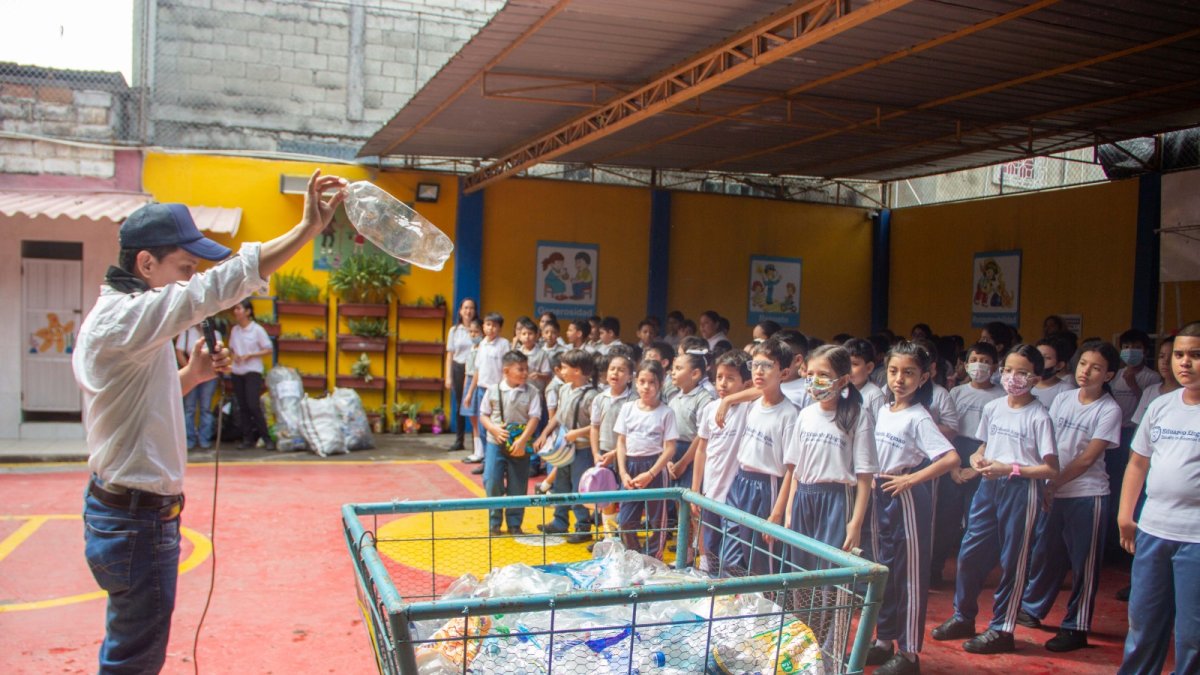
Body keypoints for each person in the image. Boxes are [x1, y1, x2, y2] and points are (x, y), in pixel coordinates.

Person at [74, 170, 346, 674]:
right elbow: (216, 287)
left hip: (128, 514)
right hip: (136, 520)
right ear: (145, 263)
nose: (188, 279)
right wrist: (306, 229)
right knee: (133, 660)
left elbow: (138, 401)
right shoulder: (125, 320)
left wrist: (192, 374)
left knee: (129, 646)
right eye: (183, 268)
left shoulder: (125, 321)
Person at [933, 344, 1059, 655]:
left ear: (1036, 377)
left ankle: (1003, 627)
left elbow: (1051, 468)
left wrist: (1011, 468)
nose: (1013, 378)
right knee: (969, 553)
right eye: (1009, 370)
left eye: (1023, 372)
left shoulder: (1039, 415)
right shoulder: (994, 407)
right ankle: (963, 615)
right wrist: (977, 460)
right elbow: (983, 446)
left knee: (1012, 560)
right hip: (989, 486)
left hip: (1021, 490)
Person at [863, 340, 959, 675]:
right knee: (885, 571)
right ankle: (883, 640)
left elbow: (950, 458)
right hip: (881, 492)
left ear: (923, 378)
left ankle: (910, 653)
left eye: (909, 373)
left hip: (906, 497)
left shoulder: (919, 417)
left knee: (910, 577)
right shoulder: (883, 410)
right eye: (893, 371)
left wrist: (911, 480)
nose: (899, 379)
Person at [1018, 342, 1122, 652]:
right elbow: (1047, 441)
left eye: (1096, 367)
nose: (1086, 371)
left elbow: (1086, 459)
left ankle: (1076, 626)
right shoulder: (1062, 399)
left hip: (1087, 495)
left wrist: (1053, 484)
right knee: (1046, 553)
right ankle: (1032, 609)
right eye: (1083, 364)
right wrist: (1044, 479)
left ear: (1109, 374)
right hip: (1054, 489)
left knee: (1083, 564)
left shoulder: (1109, 409)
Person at [1116, 321, 1200, 675]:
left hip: (1195, 537)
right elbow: (1138, 462)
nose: (1184, 363)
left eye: (1195, 355)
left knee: (1192, 633)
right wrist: (1125, 515)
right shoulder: (1162, 405)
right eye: (1179, 354)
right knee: (1143, 622)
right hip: (1153, 529)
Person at [783, 345, 877, 651]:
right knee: (801, 578)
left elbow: (864, 477)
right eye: (810, 374)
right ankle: (804, 646)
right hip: (804, 501)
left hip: (838, 501)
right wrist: (787, 512)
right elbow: (795, 470)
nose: (814, 381)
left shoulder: (856, 417)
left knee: (832, 583)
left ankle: (831, 653)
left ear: (843, 380)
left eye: (823, 375)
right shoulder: (805, 415)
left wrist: (855, 523)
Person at [719, 337, 798, 577]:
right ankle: (734, 608)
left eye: (767, 365)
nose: (758, 371)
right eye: (755, 364)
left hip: (767, 487)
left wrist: (777, 512)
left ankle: (767, 610)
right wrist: (729, 399)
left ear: (783, 372)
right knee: (729, 555)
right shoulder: (753, 404)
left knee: (762, 561)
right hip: (740, 482)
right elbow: (753, 392)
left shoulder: (789, 413)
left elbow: (792, 469)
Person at [933, 342, 1004, 585]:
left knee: (977, 521)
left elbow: (997, 437)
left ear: (995, 366)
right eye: (974, 360)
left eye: (986, 361)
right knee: (946, 519)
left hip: (986, 455)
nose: (979, 366)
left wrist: (977, 468)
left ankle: (974, 574)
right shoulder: (956, 392)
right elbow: (948, 431)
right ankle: (935, 571)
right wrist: (952, 466)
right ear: (965, 364)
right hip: (954, 451)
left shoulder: (1002, 395)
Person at [690, 351, 751, 572]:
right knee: (709, 546)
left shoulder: (749, 407)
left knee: (732, 553)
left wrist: (730, 400)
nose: (723, 383)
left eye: (731, 378)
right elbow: (702, 450)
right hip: (710, 491)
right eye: (719, 377)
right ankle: (711, 589)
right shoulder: (709, 409)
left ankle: (730, 590)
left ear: (746, 382)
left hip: (734, 496)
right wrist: (696, 489)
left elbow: (763, 389)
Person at [615, 358, 678, 559]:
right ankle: (634, 555)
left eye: (652, 382)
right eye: (642, 381)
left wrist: (651, 474)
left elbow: (670, 448)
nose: (646, 387)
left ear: (660, 384)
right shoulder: (627, 409)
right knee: (625, 520)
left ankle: (653, 557)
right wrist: (623, 472)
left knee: (658, 521)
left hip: (655, 467)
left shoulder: (666, 412)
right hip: (630, 467)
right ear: (635, 381)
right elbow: (621, 442)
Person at [535, 349, 598, 543]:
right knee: (561, 484)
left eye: (564, 367)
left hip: (582, 449)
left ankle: (582, 526)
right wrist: (545, 433)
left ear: (578, 371)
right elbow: (559, 416)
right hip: (564, 447)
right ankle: (559, 521)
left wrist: (577, 433)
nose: (561, 371)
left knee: (579, 487)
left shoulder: (593, 396)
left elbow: (598, 425)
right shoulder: (564, 389)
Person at [478, 350, 541, 535]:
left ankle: (515, 523)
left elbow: (534, 417)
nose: (524, 373)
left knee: (518, 483)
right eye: (519, 369)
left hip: (519, 445)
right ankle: (494, 522)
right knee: (492, 480)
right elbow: (483, 414)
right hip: (495, 442)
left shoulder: (532, 392)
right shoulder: (493, 390)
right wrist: (494, 429)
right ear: (506, 371)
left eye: (526, 369)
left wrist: (522, 441)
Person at [665, 350, 716, 542]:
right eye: (673, 368)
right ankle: (684, 551)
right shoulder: (673, 398)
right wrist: (670, 460)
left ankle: (700, 556)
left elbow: (700, 436)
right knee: (680, 507)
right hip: (674, 452)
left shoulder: (703, 399)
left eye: (678, 368)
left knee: (694, 509)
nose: (673, 373)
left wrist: (683, 463)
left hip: (693, 454)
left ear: (695, 374)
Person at [589, 353, 636, 549]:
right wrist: (595, 453)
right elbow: (594, 427)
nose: (615, 373)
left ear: (630, 376)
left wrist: (615, 454)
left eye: (621, 370)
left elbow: (632, 433)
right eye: (612, 369)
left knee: (626, 497)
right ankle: (609, 538)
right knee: (605, 496)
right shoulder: (600, 398)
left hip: (626, 454)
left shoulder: (634, 400)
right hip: (604, 452)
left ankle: (626, 539)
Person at [466, 312, 510, 473]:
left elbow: (507, 369)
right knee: (483, 427)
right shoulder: (482, 344)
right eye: (487, 325)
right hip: (481, 389)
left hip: (496, 391)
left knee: (498, 426)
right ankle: (487, 461)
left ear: (499, 328)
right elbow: (477, 370)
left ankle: (502, 461)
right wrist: (470, 393)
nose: (490, 328)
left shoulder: (504, 344)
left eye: (494, 325)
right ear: (483, 327)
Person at [228, 299, 275, 450]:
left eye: (239, 308)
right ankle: (247, 438)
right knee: (242, 406)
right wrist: (234, 355)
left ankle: (266, 438)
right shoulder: (235, 330)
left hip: (253, 371)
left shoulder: (257, 330)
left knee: (253, 404)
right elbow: (231, 348)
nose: (236, 311)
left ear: (248, 312)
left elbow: (268, 349)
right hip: (237, 371)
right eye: (235, 309)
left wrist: (251, 355)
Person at [175, 323, 221, 449]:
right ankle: (188, 440)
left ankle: (204, 439)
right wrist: (190, 370)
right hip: (189, 370)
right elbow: (179, 351)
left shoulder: (215, 334)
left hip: (209, 375)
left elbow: (218, 353)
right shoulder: (187, 332)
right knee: (189, 408)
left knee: (206, 408)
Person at [444, 297, 477, 452]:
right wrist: (448, 376)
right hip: (458, 367)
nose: (468, 311)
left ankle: (476, 444)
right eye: (465, 308)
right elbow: (450, 355)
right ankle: (459, 440)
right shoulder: (454, 330)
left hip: (474, 370)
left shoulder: (479, 329)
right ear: (460, 311)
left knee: (474, 405)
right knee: (459, 405)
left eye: (471, 308)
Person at [459, 318, 485, 465]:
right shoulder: (471, 349)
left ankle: (480, 452)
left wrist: (470, 391)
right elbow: (466, 371)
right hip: (468, 381)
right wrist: (465, 389)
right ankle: (476, 451)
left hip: (475, 383)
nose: (474, 335)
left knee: (478, 419)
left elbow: (477, 371)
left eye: (477, 332)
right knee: (472, 420)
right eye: (471, 332)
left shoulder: (482, 349)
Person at [1032, 336, 1074, 408]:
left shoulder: (1066, 390)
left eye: (1047, 358)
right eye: (1037, 356)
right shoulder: (1025, 385)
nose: (1039, 361)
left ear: (1059, 365)